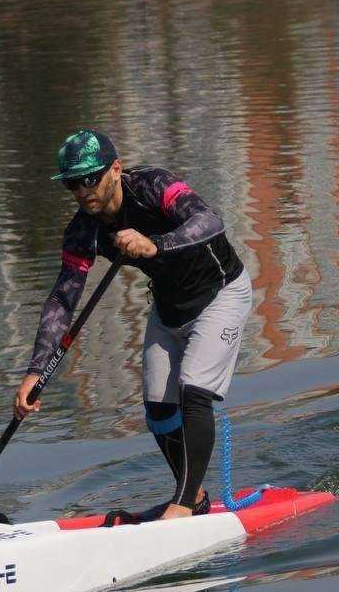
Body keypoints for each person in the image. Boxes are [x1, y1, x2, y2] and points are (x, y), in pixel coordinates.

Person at [14, 129, 252, 519]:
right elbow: (62, 298)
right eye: (73, 183)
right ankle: (195, 497)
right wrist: (36, 371)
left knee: (193, 390)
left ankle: (185, 504)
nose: (82, 191)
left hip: (220, 294)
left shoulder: (154, 185)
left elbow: (210, 221)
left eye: (90, 178)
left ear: (115, 170)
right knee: (158, 407)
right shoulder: (83, 230)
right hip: (169, 307)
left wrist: (156, 244)